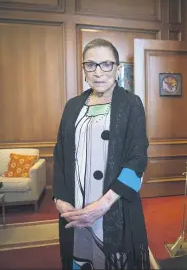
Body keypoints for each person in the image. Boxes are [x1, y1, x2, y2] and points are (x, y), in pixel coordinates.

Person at [53, 38, 150, 270]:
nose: (98, 72)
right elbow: (60, 156)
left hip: (113, 204)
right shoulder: (72, 105)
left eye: (106, 64)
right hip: (76, 206)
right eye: (91, 65)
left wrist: (102, 206)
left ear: (117, 69)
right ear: (84, 69)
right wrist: (60, 200)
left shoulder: (131, 104)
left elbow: (137, 160)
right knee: (80, 256)